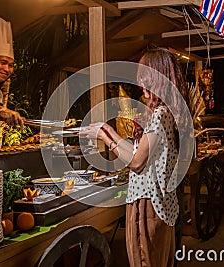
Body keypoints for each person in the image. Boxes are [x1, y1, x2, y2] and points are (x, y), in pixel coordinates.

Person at [80, 48, 189, 267]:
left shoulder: (160, 114)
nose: (141, 84)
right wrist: (106, 130)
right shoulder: (169, 112)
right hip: (161, 204)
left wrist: (104, 137)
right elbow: (139, 154)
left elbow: (137, 163)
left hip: (148, 203)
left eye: (144, 78)